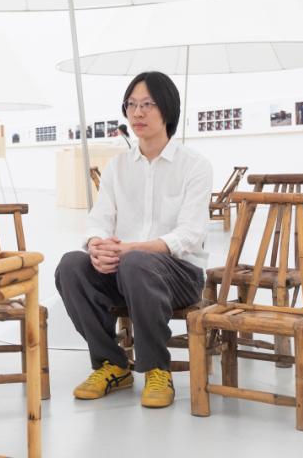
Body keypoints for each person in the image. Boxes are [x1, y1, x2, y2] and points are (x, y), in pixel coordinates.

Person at [55, 71, 212, 408]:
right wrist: (97, 247)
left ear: (167, 109)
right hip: (124, 270)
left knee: (137, 262)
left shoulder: (194, 166)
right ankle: (111, 364)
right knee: (71, 265)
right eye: (131, 105)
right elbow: (98, 221)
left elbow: (190, 234)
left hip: (179, 275)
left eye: (147, 105)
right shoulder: (117, 167)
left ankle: (156, 368)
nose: (137, 113)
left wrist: (132, 250)